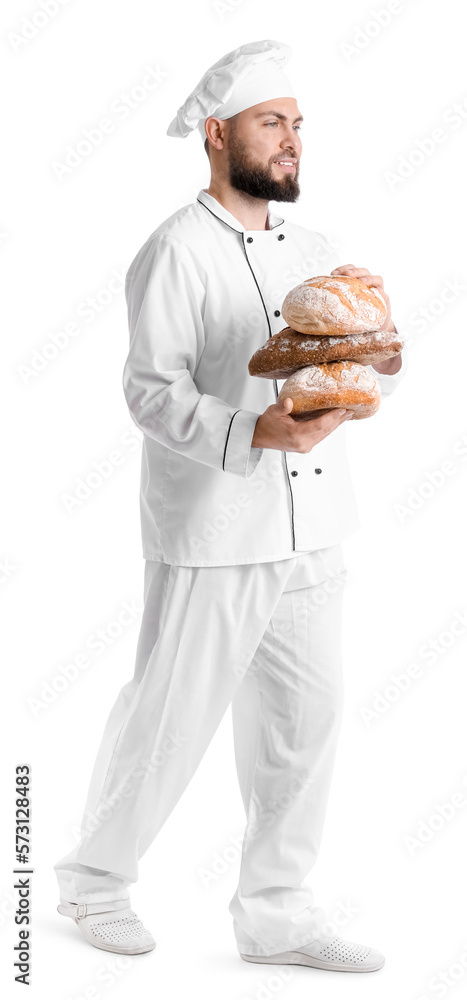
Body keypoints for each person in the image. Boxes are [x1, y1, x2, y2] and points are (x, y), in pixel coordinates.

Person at [53, 39, 408, 971]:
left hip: (316, 530)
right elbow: (148, 390)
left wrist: (381, 359)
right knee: (168, 722)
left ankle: (278, 915)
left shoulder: (317, 249)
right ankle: (92, 883)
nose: (292, 140)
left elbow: (347, 361)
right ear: (216, 135)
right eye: (271, 122)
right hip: (215, 532)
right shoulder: (173, 252)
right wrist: (253, 433)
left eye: (297, 123)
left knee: (307, 726)